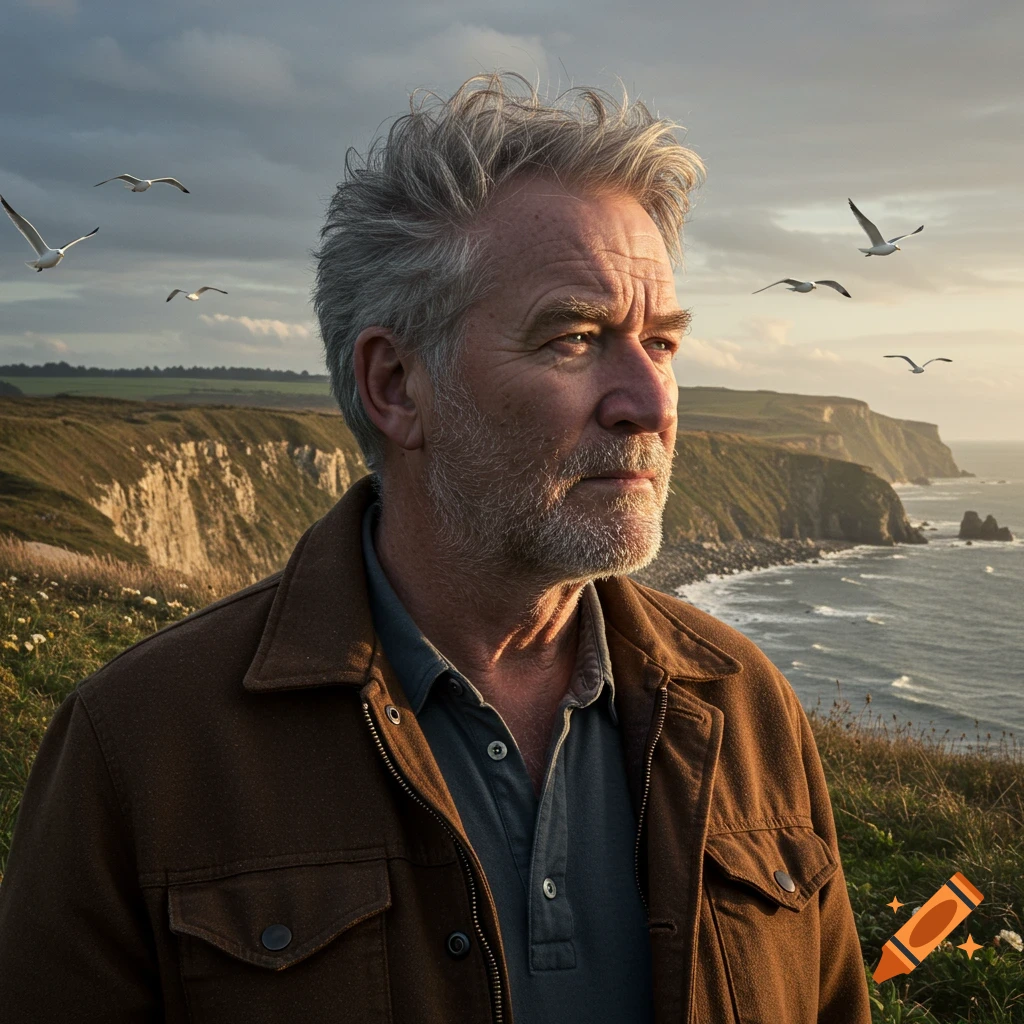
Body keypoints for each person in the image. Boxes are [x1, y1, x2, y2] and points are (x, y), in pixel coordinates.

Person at [0, 72, 872, 1023]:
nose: (651, 404)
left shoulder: (744, 709)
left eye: (661, 343)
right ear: (396, 385)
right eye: (575, 338)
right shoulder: (141, 746)